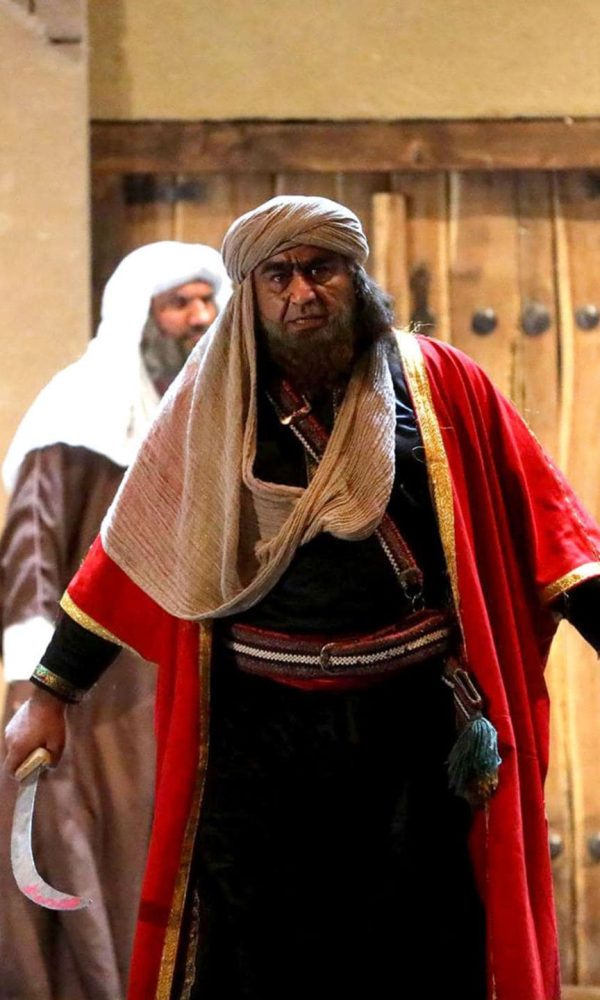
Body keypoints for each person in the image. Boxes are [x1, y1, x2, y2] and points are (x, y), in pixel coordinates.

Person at [5, 196, 600, 1000]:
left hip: (411, 731)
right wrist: (51, 692)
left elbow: (552, 530)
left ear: (356, 277)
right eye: (278, 276)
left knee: (422, 949)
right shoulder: (210, 400)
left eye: (321, 270)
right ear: (251, 291)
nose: (301, 293)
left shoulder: (441, 382)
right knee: (262, 957)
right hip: (257, 735)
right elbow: (127, 556)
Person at [0, 241, 229, 1000]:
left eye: (208, 300)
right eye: (179, 303)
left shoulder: (223, 412)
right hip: (103, 685)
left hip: (207, 673)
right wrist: (34, 681)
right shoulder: (78, 412)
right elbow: (32, 550)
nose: (200, 317)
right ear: (142, 317)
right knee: (111, 847)